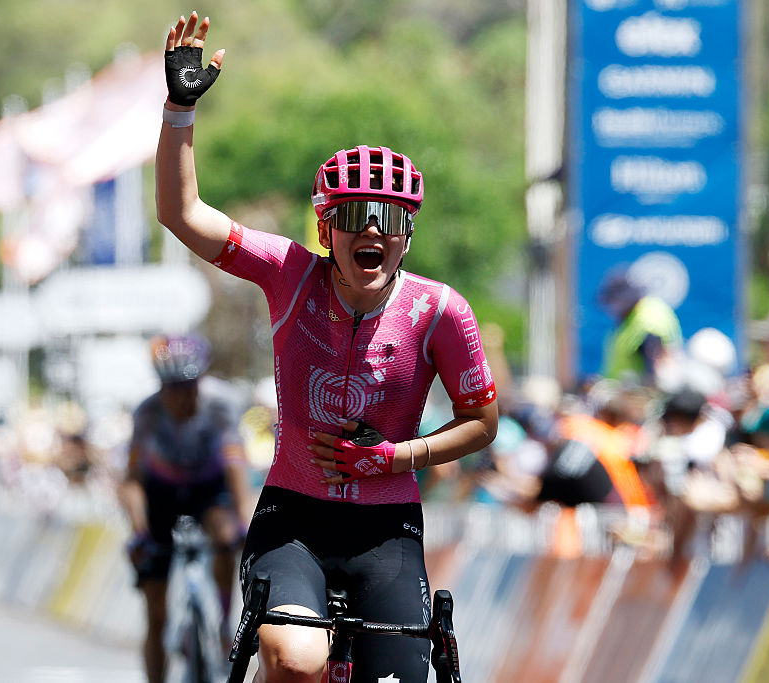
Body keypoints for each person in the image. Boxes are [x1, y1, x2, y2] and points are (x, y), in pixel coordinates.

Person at [156, 12, 498, 682]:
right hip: (295, 520)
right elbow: (182, 214)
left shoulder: (440, 310)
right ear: (325, 226)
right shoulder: (289, 274)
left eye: (392, 219)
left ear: (408, 234)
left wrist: (397, 455)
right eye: (352, 216)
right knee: (296, 657)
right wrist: (179, 110)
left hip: (388, 529)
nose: (373, 230)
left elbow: (484, 422)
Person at [117, 333, 254, 683]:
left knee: (226, 535)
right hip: (161, 490)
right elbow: (132, 482)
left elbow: (236, 466)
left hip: (207, 488)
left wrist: (244, 523)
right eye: (171, 387)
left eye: (188, 385)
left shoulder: (221, 402)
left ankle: (224, 624)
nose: (180, 396)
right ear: (160, 386)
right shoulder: (147, 412)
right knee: (155, 609)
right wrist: (140, 534)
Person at [596, 264, 682, 384]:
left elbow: (657, 368)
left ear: (625, 298)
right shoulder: (632, 316)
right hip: (625, 396)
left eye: (613, 301)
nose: (611, 307)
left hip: (641, 398)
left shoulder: (648, 320)